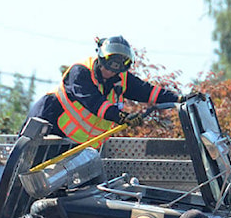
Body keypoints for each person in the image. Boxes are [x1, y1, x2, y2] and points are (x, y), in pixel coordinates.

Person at [24, 36, 182, 146]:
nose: (111, 72)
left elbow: (148, 91)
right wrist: (123, 117)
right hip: (47, 129)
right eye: (109, 65)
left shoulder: (121, 78)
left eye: (118, 68)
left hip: (76, 144)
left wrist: (180, 99)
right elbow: (94, 102)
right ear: (100, 59)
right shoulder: (80, 72)